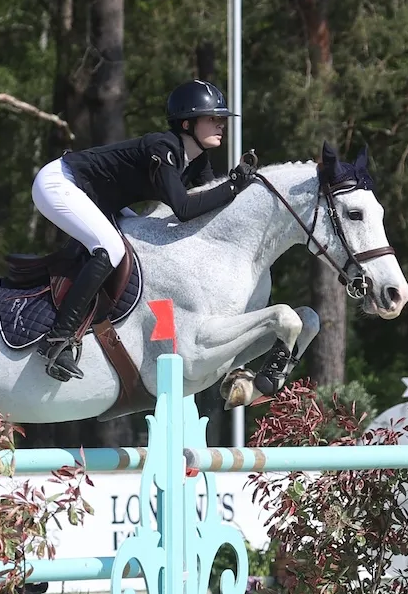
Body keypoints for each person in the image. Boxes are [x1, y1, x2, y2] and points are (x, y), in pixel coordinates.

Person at [28, 80, 253, 381]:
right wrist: (235, 185)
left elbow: (210, 205)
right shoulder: (163, 148)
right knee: (110, 249)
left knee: (137, 243)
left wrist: (240, 191)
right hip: (61, 183)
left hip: (98, 198)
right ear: (187, 123)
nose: (220, 125)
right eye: (212, 118)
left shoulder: (198, 160)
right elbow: (184, 209)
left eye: (220, 119)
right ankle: (58, 339)